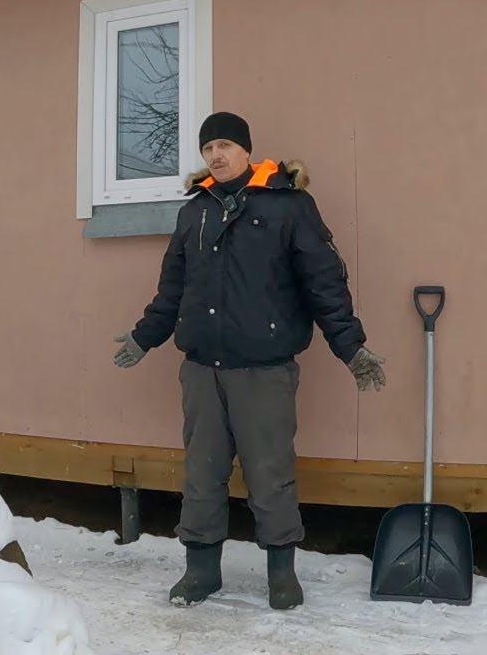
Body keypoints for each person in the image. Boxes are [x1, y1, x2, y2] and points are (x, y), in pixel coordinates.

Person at [113, 111, 385, 610]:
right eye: (207, 149)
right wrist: (144, 337)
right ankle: (201, 572)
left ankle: (281, 573)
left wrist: (352, 347)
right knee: (202, 472)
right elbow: (172, 289)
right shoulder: (194, 211)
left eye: (223, 145)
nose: (215, 156)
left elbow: (324, 283)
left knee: (270, 472)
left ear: (245, 150)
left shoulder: (289, 205)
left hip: (264, 369)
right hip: (201, 369)